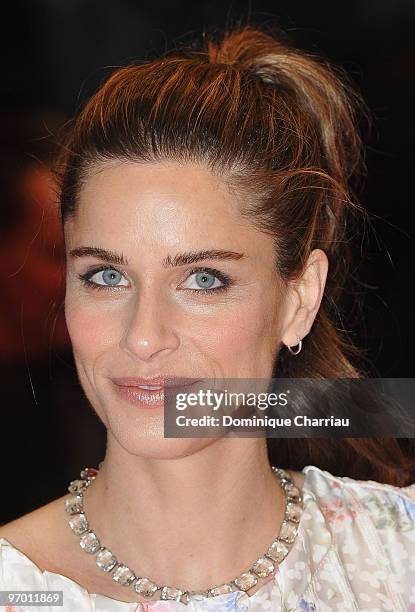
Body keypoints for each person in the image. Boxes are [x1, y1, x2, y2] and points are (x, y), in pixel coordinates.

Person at [1, 23, 414, 612]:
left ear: (299, 299)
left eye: (203, 280)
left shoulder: (397, 560)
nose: (143, 336)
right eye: (107, 276)